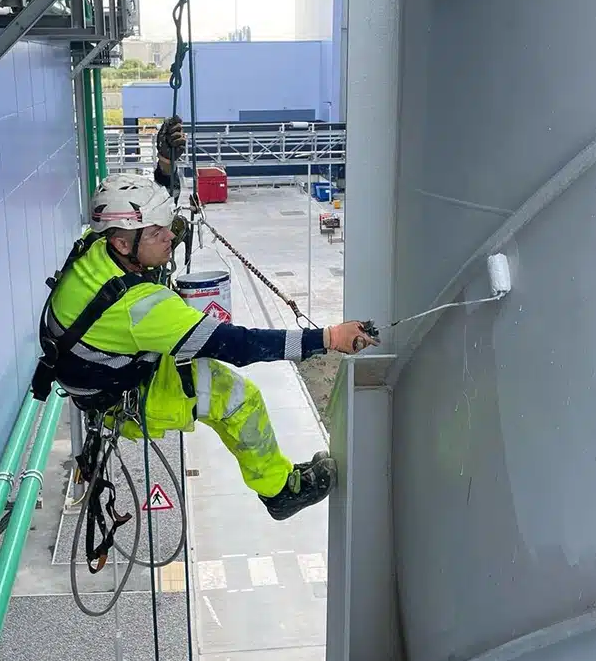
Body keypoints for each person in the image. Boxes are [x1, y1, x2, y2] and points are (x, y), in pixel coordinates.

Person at [31, 116, 377, 521]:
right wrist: (328, 338)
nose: (171, 237)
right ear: (124, 243)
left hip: (99, 371)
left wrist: (164, 164)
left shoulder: (99, 245)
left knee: (197, 354)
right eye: (159, 234)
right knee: (236, 397)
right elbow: (239, 344)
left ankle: (278, 480)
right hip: (121, 396)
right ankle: (281, 490)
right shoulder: (141, 307)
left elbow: (148, 217)